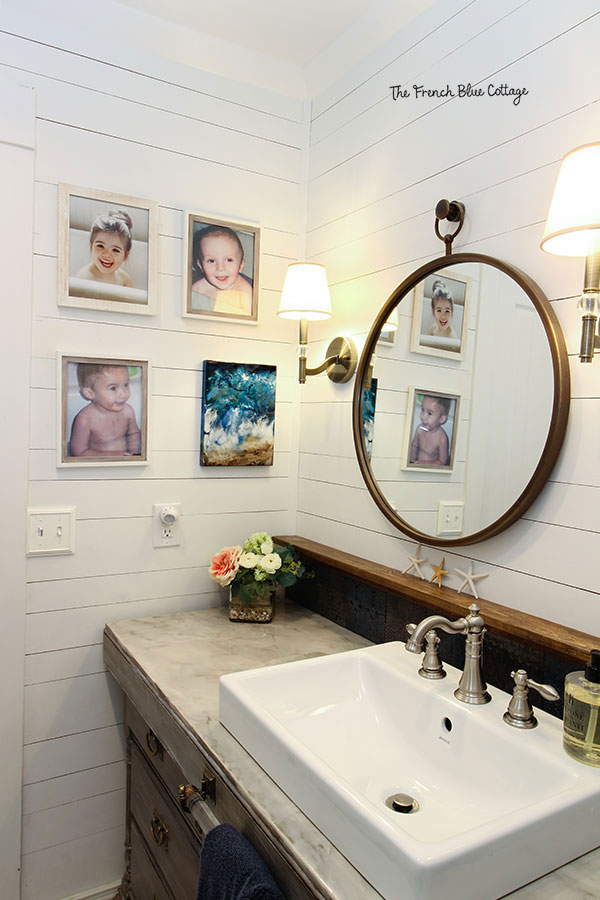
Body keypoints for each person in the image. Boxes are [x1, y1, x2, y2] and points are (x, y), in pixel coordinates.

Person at [69, 363, 141, 457]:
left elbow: (134, 434)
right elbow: (78, 452)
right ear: (89, 393)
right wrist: (111, 455)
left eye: (126, 385)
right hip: (99, 465)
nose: (123, 394)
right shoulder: (85, 420)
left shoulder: (128, 411)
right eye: (113, 388)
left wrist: (133, 451)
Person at [191, 224, 253, 315]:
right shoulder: (198, 288)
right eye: (211, 261)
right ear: (200, 265)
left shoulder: (245, 291)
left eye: (229, 260)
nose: (220, 268)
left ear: (241, 265)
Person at [76, 210, 134, 287]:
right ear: (91, 247)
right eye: (100, 246)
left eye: (115, 250)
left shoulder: (124, 280)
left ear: (125, 255)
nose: (107, 254)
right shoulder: (84, 278)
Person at [409, 395, 451, 467]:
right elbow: (414, 446)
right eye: (422, 409)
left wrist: (424, 464)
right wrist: (412, 462)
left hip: (431, 470)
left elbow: (442, 461)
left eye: (429, 413)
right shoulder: (419, 429)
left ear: (441, 419)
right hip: (417, 466)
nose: (423, 416)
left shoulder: (442, 438)